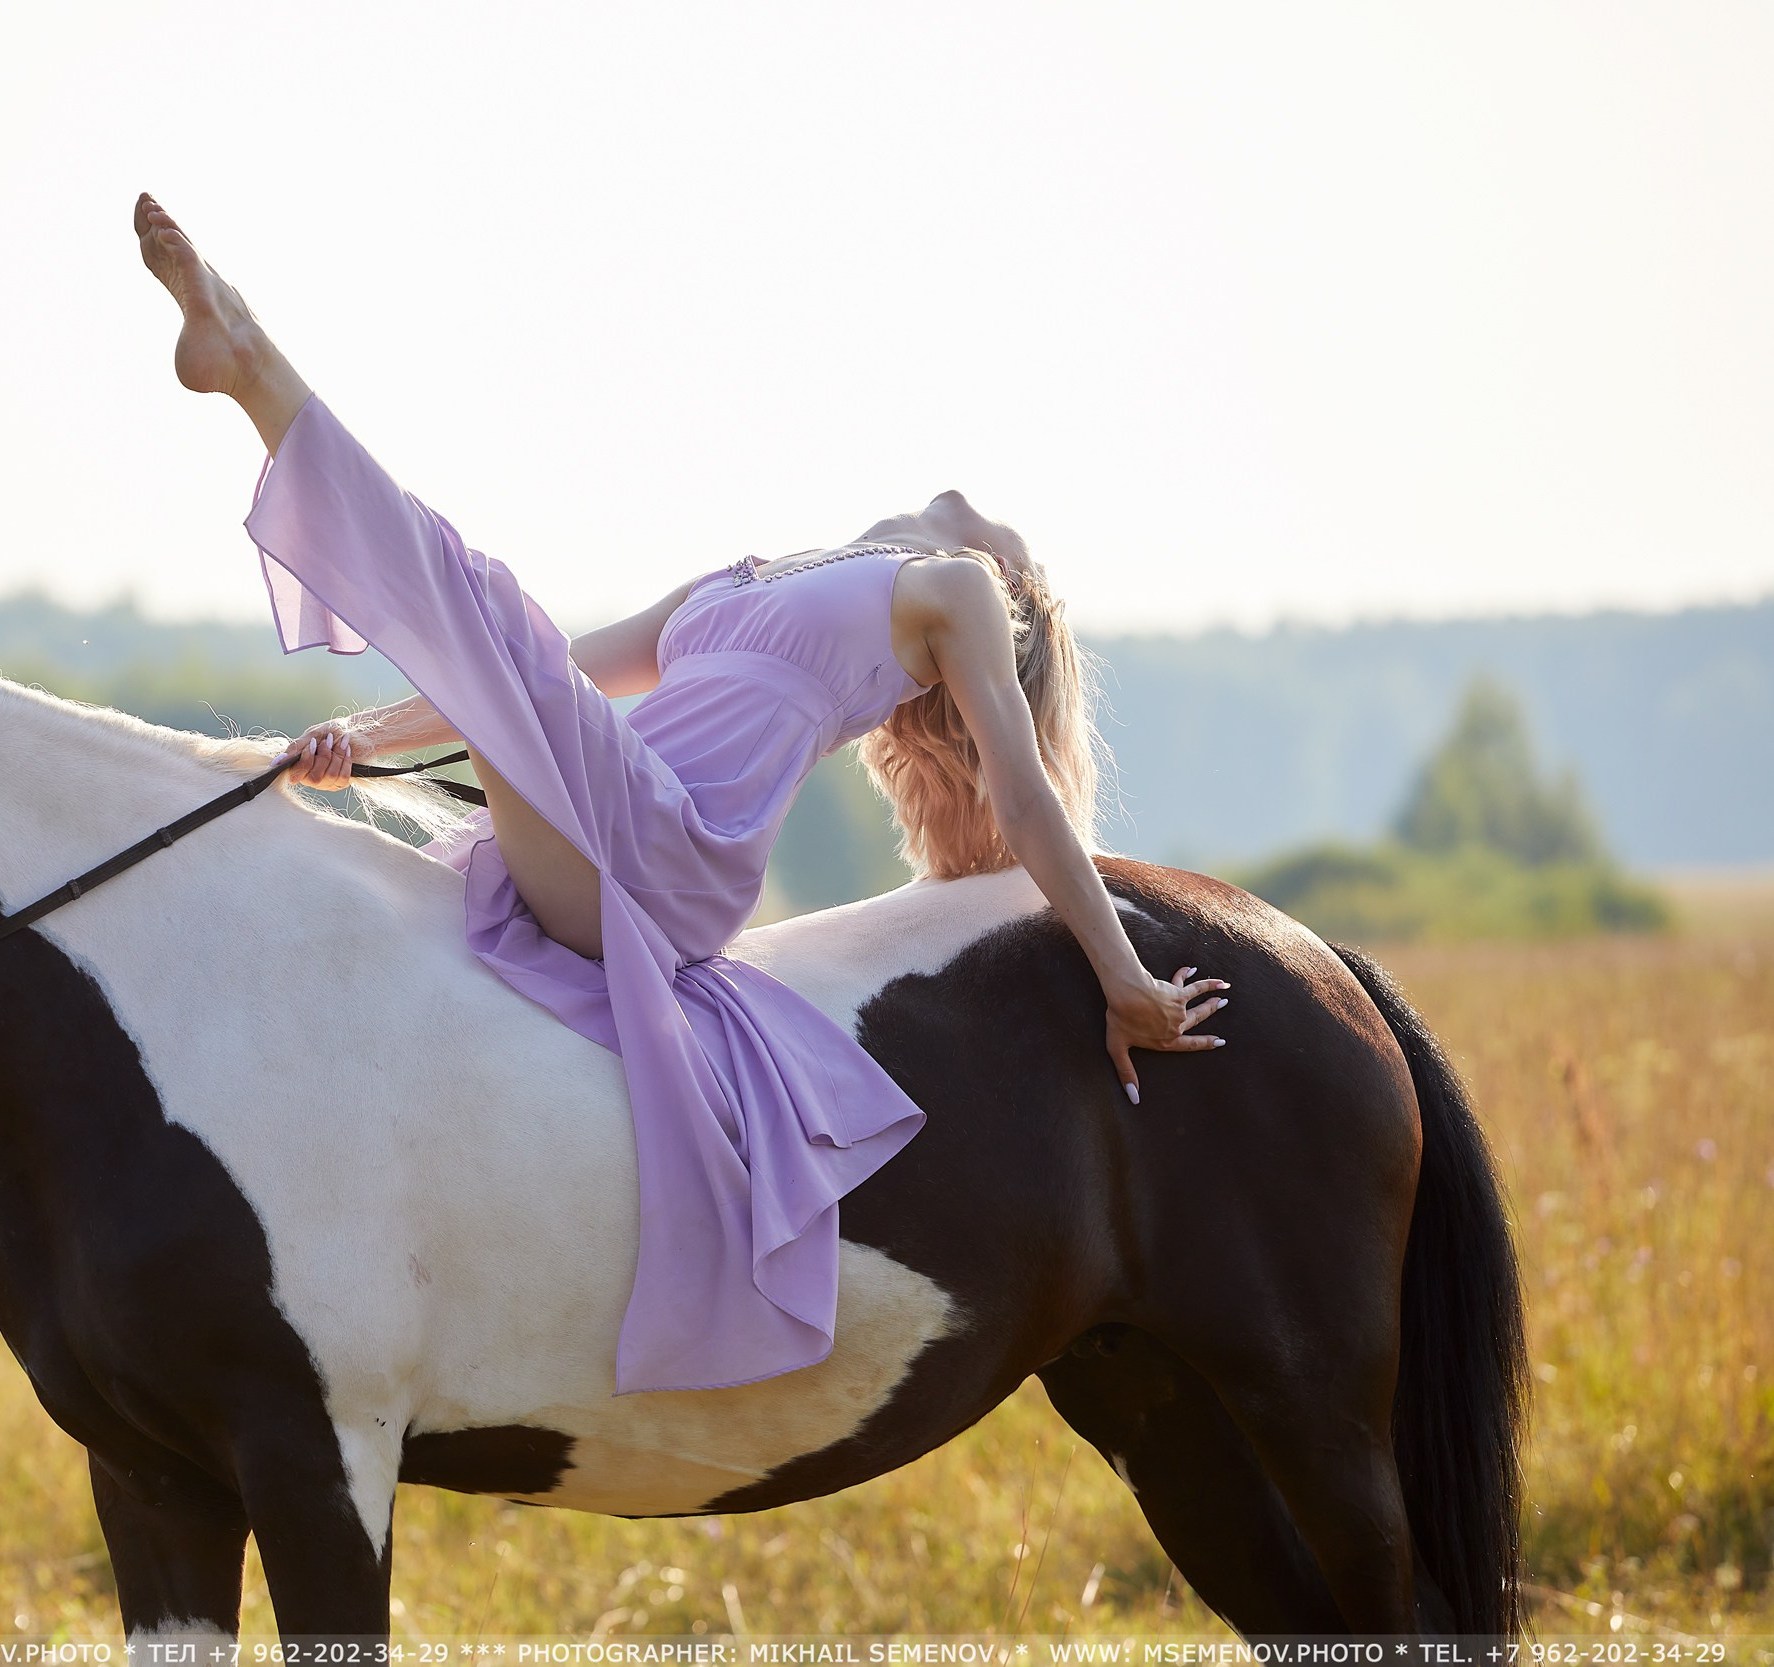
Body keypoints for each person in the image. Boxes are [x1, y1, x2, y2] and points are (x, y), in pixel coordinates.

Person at [134, 194, 1229, 1395]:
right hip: (608, 813)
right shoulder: (754, 575)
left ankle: (248, 363)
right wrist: (366, 728)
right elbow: (558, 667)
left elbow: (1022, 801)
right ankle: (243, 362)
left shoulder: (956, 586)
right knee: (503, 617)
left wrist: (1121, 975)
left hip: (675, 854)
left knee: (489, 603)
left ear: (1016, 599)